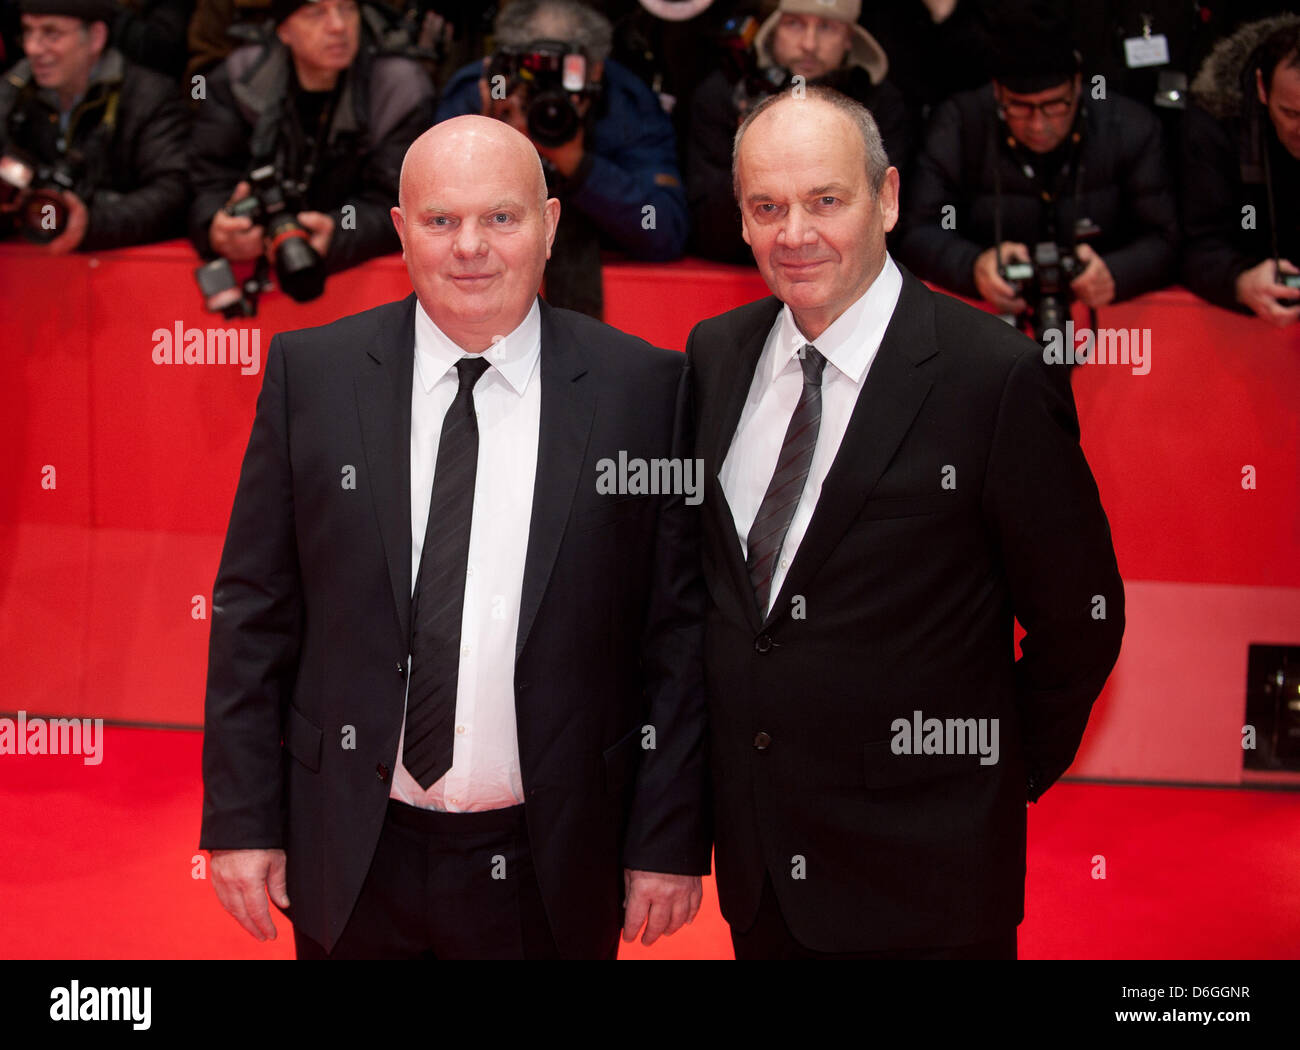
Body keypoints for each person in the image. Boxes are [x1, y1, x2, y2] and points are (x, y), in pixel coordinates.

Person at [199, 114, 710, 959]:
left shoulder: (645, 391)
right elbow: (254, 612)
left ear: (549, 224)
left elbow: (677, 638)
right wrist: (244, 820)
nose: (470, 246)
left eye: (500, 218)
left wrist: (666, 840)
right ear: (401, 234)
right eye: (441, 221)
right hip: (353, 852)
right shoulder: (311, 376)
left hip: (555, 860)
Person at [686, 85, 1125, 959]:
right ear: (739, 220)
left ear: (887, 197)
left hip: (930, 883)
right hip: (762, 874)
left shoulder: (992, 378)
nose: (794, 233)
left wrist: (991, 776)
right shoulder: (716, 353)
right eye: (766, 207)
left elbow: (1082, 618)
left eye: (825, 200)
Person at [897, 12, 1177, 331]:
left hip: (1108, 329)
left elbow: (1166, 238)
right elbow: (916, 231)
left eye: (1055, 106)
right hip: (986, 324)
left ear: (1077, 86)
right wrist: (972, 266)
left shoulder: (1129, 127)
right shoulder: (960, 124)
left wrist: (1117, 272)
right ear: (997, 92)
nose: (1038, 125)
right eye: (1020, 107)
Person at [436, 0, 687, 316]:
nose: (547, 91)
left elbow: (662, 229)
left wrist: (578, 164)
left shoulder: (627, 102)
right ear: (509, 63)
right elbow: (432, 217)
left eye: (562, 75)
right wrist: (490, 140)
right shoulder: (483, 90)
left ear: (596, 69)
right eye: (533, 72)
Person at [187, 0, 434, 285]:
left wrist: (341, 232)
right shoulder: (240, 79)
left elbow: (405, 202)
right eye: (315, 12)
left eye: (347, 8)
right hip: (253, 276)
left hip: (360, 284)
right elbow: (205, 180)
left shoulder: (397, 90)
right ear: (284, 30)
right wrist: (216, 228)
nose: (338, 26)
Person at [686, 0, 910, 264]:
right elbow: (707, 232)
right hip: (737, 270)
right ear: (772, 29)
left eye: (827, 27)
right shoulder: (726, 94)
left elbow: (887, 224)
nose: (809, 44)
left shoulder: (881, 104)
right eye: (795, 24)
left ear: (850, 38)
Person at [0, 0, 189, 251]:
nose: (32, 48)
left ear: (96, 37)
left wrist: (93, 224)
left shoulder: (149, 97)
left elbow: (173, 191)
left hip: (119, 266)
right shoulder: (11, 90)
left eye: (51, 33)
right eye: (27, 32)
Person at [1181, 15, 1300, 327]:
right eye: (1291, 114)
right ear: (1262, 88)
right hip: (1247, 320)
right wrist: (1240, 281)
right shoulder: (1214, 126)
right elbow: (1197, 246)